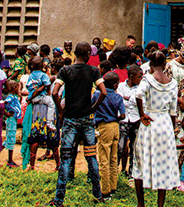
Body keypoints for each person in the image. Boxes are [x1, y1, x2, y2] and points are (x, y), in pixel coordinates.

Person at [52, 41, 106, 206]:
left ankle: (59, 199)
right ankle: (98, 195)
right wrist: (93, 109)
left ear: (74, 53)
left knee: (66, 158)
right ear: (88, 54)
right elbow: (103, 92)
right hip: (87, 120)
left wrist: (61, 112)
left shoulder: (65, 70)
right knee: (92, 158)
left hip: (70, 119)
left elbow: (54, 92)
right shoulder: (93, 71)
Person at [132, 50, 180, 207]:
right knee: (163, 163)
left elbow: (138, 94)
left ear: (151, 65)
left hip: (150, 122)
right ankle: (160, 204)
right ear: (165, 65)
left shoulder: (147, 79)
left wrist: (142, 114)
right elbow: (174, 111)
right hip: (165, 122)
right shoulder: (173, 84)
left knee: (139, 161)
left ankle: (141, 203)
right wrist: (172, 130)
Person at [94, 71, 125, 200]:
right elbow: (123, 115)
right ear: (115, 85)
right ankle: (113, 186)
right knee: (113, 157)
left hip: (103, 126)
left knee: (103, 158)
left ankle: (105, 190)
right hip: (115, 126)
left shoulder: (97, 95)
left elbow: (92, 107)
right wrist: (116, 118)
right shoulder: (118, 97)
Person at [23, 56, 55, 170]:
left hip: (34, 106)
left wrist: (31, 96)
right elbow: (47, 85)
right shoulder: (44, 76)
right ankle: (58, 164)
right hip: (43, 105)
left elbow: (29, 88)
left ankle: (31, 164)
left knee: (34, 137)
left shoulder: (30, 76)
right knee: (51, 137)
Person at [118, 64, 143, 176]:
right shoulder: (120, 86)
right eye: (139, 76)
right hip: (123, 121)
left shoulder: (141, 88)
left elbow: (138, 102)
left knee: (134, 147)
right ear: (131, 76)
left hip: (135, 120)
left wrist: (128, 99)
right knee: (120, 147)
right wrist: (132, 100)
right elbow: (119, 101)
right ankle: (117, 171)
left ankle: (132, 173)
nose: (141, 78)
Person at [3, 79, 23, 168]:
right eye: (17, 88)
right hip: (11, 119)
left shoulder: (14, 96)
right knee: (10, 139)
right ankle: (10, 161)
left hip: (13, 119)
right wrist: (5, 113)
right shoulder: (10, 97)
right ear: (14, 88)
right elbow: (3, 103)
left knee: (9, 138)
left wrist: (20, 96)